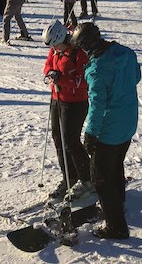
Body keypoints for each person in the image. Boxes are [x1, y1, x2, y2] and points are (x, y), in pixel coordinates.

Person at [71, 22, 141, 240]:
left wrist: (90, 134)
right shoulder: (126, 53)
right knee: (116, 165)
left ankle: (116, 226)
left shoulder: (97, 70)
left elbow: (97, 106)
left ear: (86, 46)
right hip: (129, 123)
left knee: (101, 178)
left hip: (110, 130)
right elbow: (136, 77)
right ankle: (117, 205)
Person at [42, 20, 93, 202]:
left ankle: (88, 179)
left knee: (71, 141)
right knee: (58, 138)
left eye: (56, 45)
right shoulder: (56, 48)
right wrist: (50, 74)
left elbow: (85, 81)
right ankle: (69, 176)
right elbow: (48, 64)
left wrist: (62, 80)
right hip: (57, 98)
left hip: (76, 103)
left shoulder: (79, 52)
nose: (54, 49)